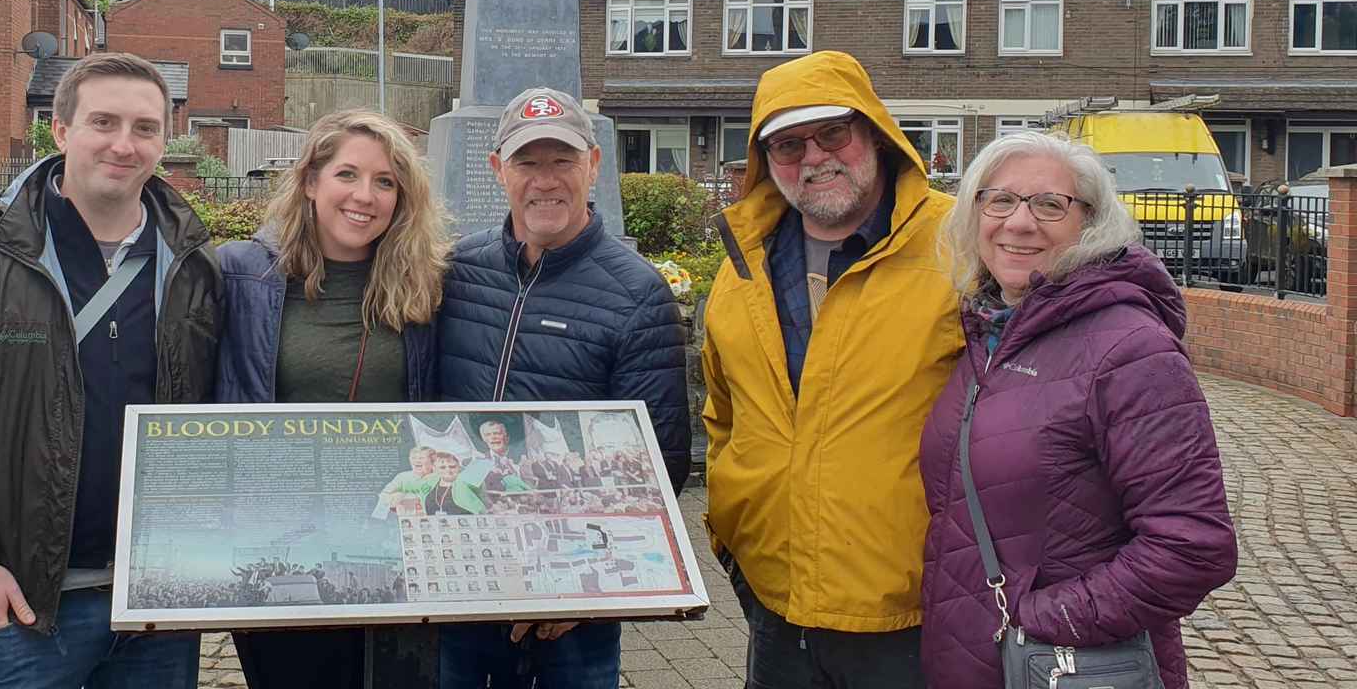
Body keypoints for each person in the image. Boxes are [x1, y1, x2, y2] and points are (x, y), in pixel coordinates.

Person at [0, 53, 222, 689]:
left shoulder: (194, 264)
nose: (124, 144)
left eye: (145, 128)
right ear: (60, 131)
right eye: (103, 122)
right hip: (23, 605)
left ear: (164, 141)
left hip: (155, 602)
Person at [919, 131, 1238, 689]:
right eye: (999, 200)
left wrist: (1041, 619)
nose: (1019, 222)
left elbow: (1193, 546)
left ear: (1090, 223)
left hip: (1064, 665)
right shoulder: (988, 333)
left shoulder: (1131, 349)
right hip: (973, 660)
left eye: (1049, 204)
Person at [702, 50, 964, 688]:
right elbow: (723, 411)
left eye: (832, 133)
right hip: (776, 598)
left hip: (911, 609)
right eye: (789, 144)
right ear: (766, 160)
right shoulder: (745, 263)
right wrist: (732, 531)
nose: (814, 157)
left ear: (873, 132)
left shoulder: (961, 246)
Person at [436, 86, 690, 689]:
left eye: (563, 160)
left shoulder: (637, 293)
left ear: (593, 165)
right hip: (463, 574)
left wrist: (582, 586)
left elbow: (660, 460)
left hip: (571, 596)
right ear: (498, 169)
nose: (545, 180)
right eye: (527, 161)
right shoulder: (456, 271)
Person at [215, 108, 450, 689]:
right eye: (347, 174)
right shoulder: (239, 275)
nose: (364, 196)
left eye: (385, 181)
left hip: (395, 544)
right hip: (281, 539)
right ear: (310, 181)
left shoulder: (429, 285)